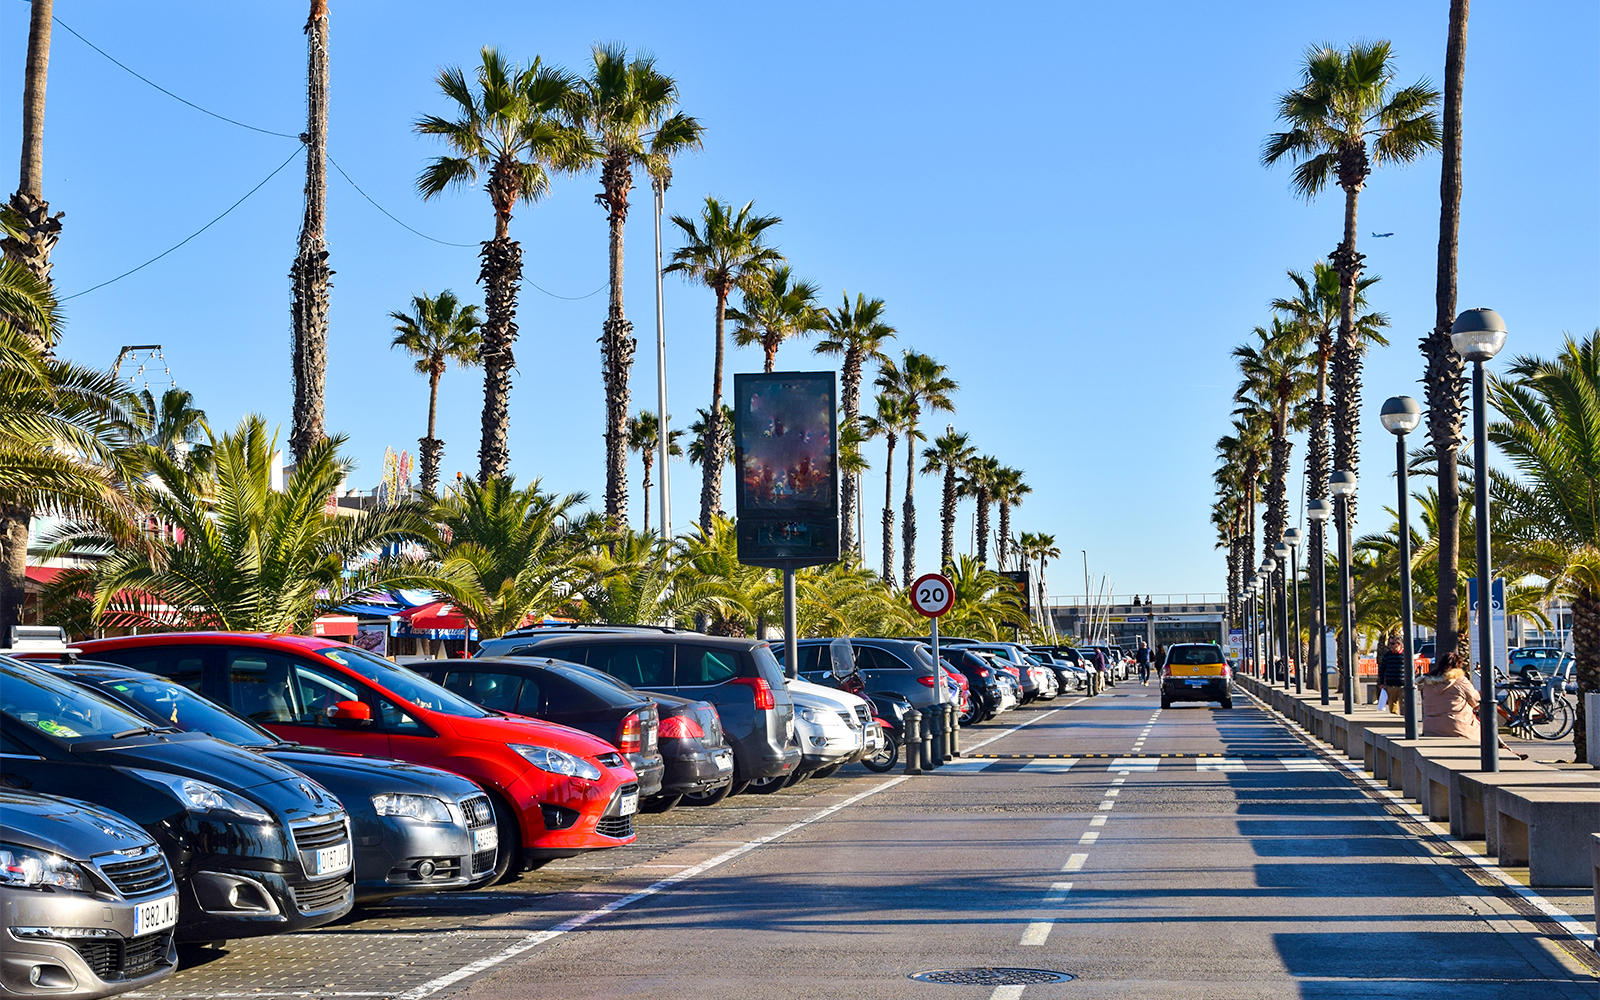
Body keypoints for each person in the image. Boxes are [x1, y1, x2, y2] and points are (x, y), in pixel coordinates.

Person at [1419, 651, 1478, 738]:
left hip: (1431, 728)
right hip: (1459, 728)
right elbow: (1476, 701)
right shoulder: (1461, 681)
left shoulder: (1427, 683)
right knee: (1484, 728)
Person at [1377, 634, 1408, 714]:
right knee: (1392, 709)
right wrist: (1381, 683)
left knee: (1405, 707)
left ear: (1399, 644)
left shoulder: (1406, 655)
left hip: (1403, 686)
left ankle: (1405, 724)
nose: (1390, 646)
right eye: (1389, 643)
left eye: (1392, 644)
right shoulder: (1387, 656)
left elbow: (1412, 670)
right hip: (1390, 686)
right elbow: (1382, 670)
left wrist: (1413, 682)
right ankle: (1395, 724)